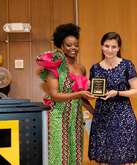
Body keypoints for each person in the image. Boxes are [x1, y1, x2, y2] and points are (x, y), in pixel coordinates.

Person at [36, 23, 94, 165]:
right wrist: (79, 93)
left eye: (76, 45)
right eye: (69, 45)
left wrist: (94, 111)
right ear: (61, 46)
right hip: (58, 116)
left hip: (75, 117)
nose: (73, 48)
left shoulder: (81, 68)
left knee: (75, 153)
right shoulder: (55, 65)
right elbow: (55, 95)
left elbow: (82, 96)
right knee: (59, 154)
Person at [88, 32, 137, 165]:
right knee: (103, 156)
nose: (110, 50)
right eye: (107, 46)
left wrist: (117, 93)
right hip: (102, 116)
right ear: (101, 46)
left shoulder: (127, 65)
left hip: (123, 115)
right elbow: (93, 92)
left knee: (124, 156)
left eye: (114, 47)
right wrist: (89, 91)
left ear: (118, 48)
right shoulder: (95, 68)